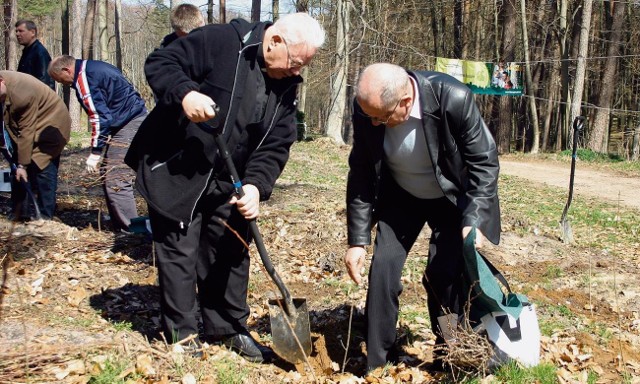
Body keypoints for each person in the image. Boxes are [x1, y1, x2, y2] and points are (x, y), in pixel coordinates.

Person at [124, 12, 325, 362]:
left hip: (229, 177)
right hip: (177, 168)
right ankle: (183, 335)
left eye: (302, 65)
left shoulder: (286, 87)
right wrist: (185, 94)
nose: (296, 71)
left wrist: (255, 187)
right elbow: (162, 61)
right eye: (295, 62)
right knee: (179, 253)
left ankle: (228, 328)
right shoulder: (221, 42)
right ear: (274, 41)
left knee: (231, 249)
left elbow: (276, 144)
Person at [344, 63, 501, 371]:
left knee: (442, 275)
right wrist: (358, 241)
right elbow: (361, 172)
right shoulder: (368, 106)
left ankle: (451, 354)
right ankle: (379, 362)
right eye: (369, 116)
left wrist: (475, 218)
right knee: (383, 269)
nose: (373, 123)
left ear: (405, 101)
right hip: (401, 197)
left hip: (452, 198)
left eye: (381, 117)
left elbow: (484, 161)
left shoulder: (452, 97)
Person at [48, 55, 148, 232]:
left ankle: (133, 230)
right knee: (108, 172)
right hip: (130, 119)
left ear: (66, 70)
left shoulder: (84, 78)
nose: (64, 84)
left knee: (115, 177)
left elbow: (99, 118)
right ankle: (121, 224)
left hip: (130, 122)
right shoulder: (95, 67)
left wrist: (95, 152)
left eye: (60, 80)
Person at [1, 71, 70, 219]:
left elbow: (27, 130)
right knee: (17, 172)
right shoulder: (4, 87)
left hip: (51, 127)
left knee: (43, 170)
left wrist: (22, 166)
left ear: (1, 82)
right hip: (24, 126)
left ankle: (45, 217)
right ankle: (19, 213)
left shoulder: (22, 94)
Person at [15, 20, 55, 90]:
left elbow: (44, 82)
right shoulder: (27, 51)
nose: (17, 34)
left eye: (21, 31)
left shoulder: (40, 52)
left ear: (32, 32)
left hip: (38, 98)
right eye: (16, 31)